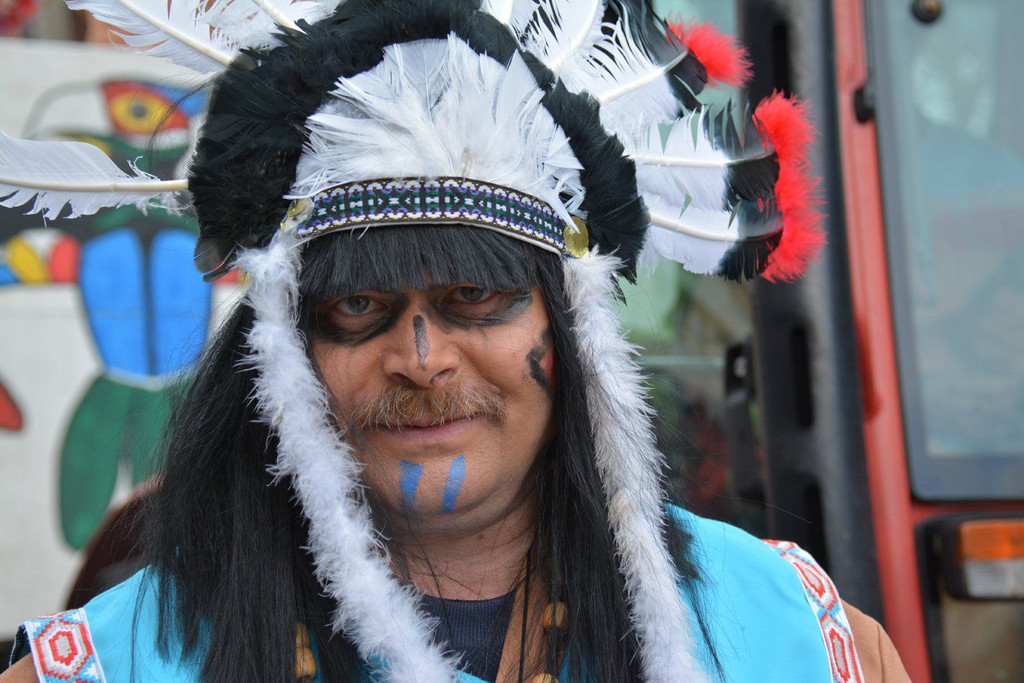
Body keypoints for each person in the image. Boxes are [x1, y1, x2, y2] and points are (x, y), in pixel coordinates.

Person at [0, 0, 910, 680]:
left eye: (475, 296)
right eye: (358, 306)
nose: (423, 359)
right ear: (284, 353)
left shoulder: (787, 632)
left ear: (569, 330)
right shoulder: (120, 662)